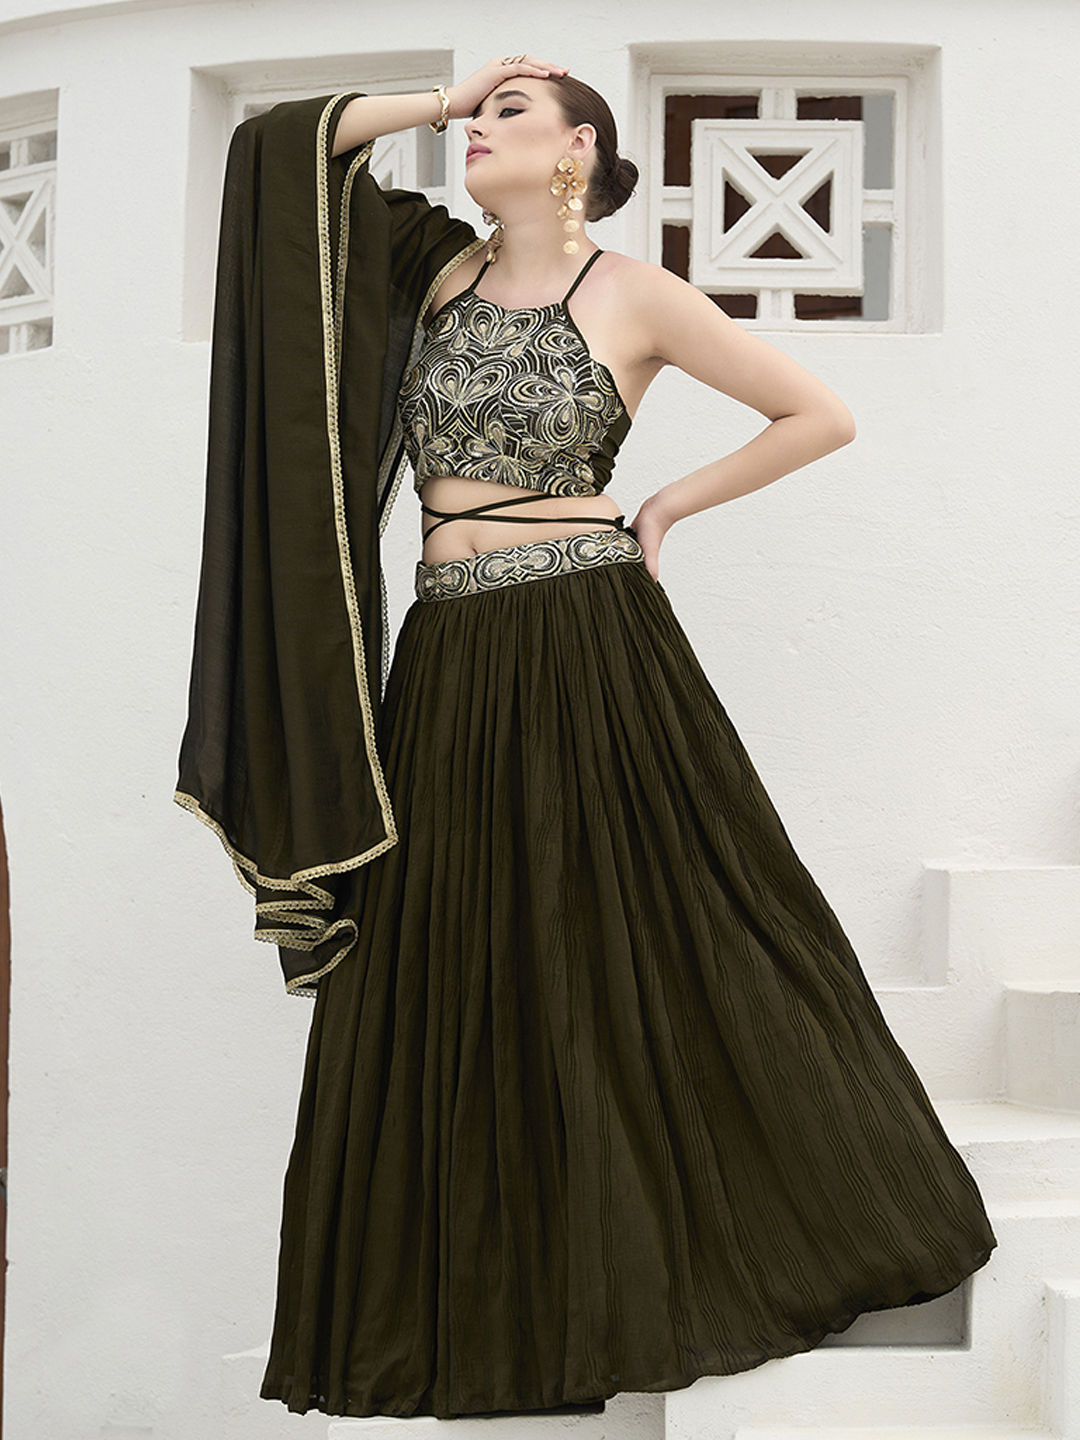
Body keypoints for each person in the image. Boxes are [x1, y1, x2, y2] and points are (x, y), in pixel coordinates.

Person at [173, 55, 997, 1423]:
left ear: (577, 151)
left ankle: (748, 1232)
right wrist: (446, 101)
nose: (478, 127)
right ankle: (486, 1310)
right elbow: (280, 154)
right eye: (477, 113)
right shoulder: (429, 275)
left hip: (585, 637)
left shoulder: (634, 294)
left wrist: (665, 505)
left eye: (513, 112)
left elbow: (819, 415)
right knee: (451, 955)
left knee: (638, 932)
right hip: (448, 653)